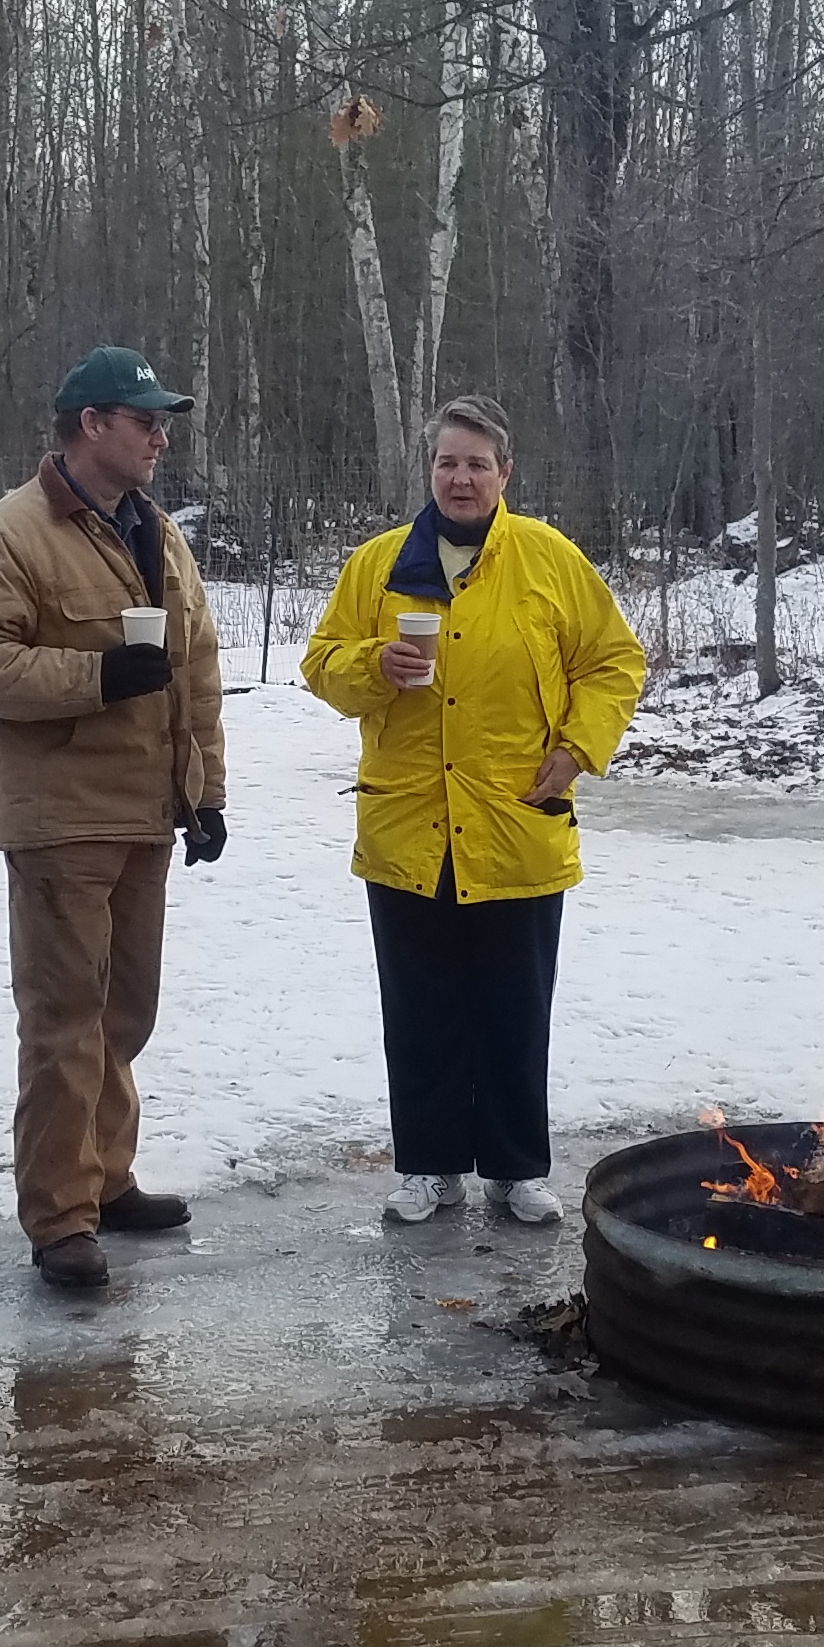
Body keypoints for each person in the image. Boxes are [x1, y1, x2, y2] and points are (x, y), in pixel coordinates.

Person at [300, 395, 644, 1226]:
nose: (461, 477)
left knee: (515, 1006)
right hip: (408, 824)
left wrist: (578, 748)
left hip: (517, 819)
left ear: (505, 474)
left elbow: (615, 660)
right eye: (447, 462)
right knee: (419, 1006)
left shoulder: (548, 559)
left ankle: (518, 1169)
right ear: (430, 472)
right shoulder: (380, 563)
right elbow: (322, 663)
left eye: (476, 464)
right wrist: (375, 664)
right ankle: (429, 1166)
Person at [0, 346, 227, 1288]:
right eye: (145, 420)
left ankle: (105, 1177)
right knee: (64, 1018)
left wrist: (206, 790)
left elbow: (201, 666)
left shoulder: (156, 531)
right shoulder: (10, 534)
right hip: (59, 817)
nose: (160, 436)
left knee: (124, 1012)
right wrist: (96, 677)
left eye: (161, 421)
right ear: (91, 424)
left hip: (146, 811)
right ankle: (60, 1215)